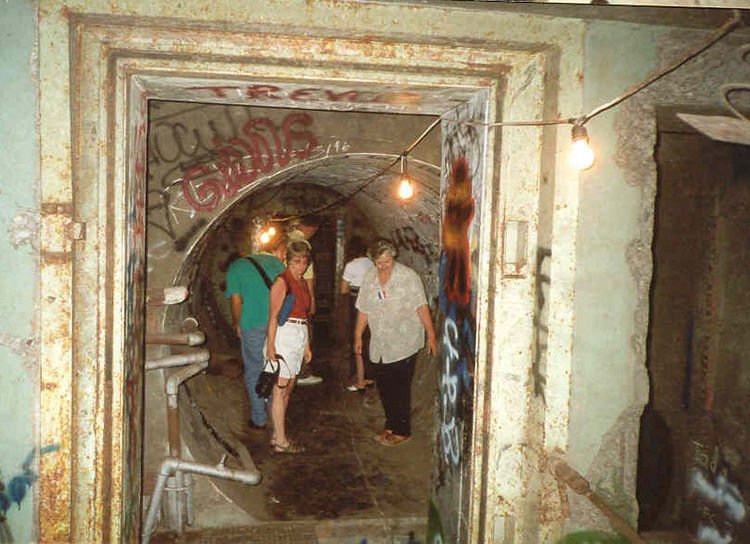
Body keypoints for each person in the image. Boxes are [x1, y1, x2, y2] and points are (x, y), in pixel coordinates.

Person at [354, 239, 438, 446]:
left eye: (387, 261)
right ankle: (390, 425)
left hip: (404, 341)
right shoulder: (370, 277)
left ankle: (402, 430)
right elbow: (364, 308)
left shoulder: (408, 277)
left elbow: (421, 306)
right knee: (384, 385)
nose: (383, 266)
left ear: (393, 257)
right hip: (380, 342)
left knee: (399, 386)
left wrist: (431, 335)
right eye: (379, 262)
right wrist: (357, 336)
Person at [226, 235, 286, 432]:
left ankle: (259, 419)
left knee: (254, 369)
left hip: (251, 323)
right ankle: (276, 413)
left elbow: (236, 300)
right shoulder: (278, 264)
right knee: (274, 367)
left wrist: (237, 323)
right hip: (277, 324)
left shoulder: (235, 268)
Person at [265, 240, 314, 453]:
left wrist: (306, 345)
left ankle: (277, 434)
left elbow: (304, 315)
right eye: (296, 262)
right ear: (288, 261)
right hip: (283, 336)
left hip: (298, 333)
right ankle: (281, 442)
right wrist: (271, 347)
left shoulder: (301, 282)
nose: (300, 266)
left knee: (288, 388)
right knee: (280, 389)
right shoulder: (282, 282)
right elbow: (273, 317)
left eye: (304, 262)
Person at [287, 215, 324, 385]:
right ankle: (301, 372)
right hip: (299, 294)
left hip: (288, 294)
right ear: (311, 228)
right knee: (303, 332)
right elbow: (308, 276)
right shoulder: (303, 245)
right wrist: (312, 299)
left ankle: (290, 370)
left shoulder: (286, 239)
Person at [340, 236, 374, 392]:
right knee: (370, 339)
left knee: (357, 338)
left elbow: (344, 289)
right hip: (373, 302)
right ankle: (370, 376)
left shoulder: (351, 266)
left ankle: (360, 379)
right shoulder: (372, 264)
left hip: (356, 302)